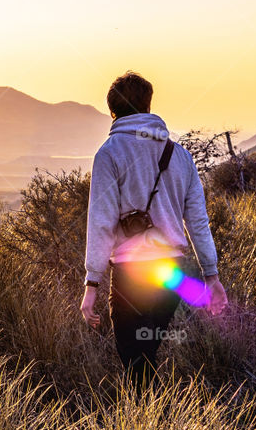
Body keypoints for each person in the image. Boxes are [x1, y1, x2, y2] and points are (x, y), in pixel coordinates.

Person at [81, 71, 227, 389]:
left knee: (135, 358)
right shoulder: (181, 156)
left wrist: (91, 285)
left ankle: (154, 427)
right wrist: (212, 277)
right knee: (143, 356)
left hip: (132, 273)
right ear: (148, 106)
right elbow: (198, 221)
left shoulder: (109, 153)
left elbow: (101, 221)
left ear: (112, 112)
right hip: (171, 274)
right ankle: (155, 425)